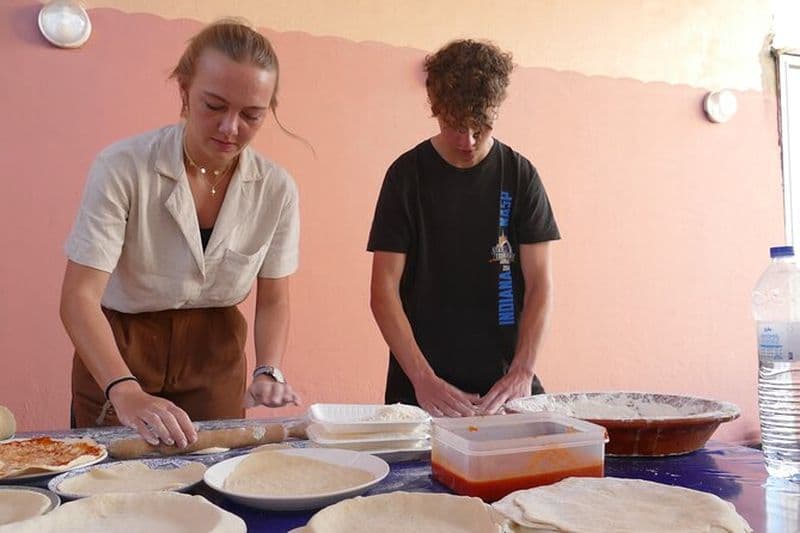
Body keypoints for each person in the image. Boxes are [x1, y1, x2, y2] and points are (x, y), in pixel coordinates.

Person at [60, 19, 301, 449]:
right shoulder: (123, 168)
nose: (230, 128)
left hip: (216, 359)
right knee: (113, 493)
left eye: (251, 115)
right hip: (122, 349)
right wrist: (124, 390)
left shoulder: (276, 188)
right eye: (214, 105)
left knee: (215, 482)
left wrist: (268, 368)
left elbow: (275, 298)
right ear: (184, 91)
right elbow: (78, 298)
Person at [368, 39, 560, 417]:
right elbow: (383, 291)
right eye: (455, 127)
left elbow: (540, 284)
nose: (468, 141)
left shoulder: (521, 176)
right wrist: (423, 380)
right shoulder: (406, 176)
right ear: (436, 109)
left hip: (506, 387)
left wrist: (523, 370)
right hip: (421, 388)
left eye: (481, 127)